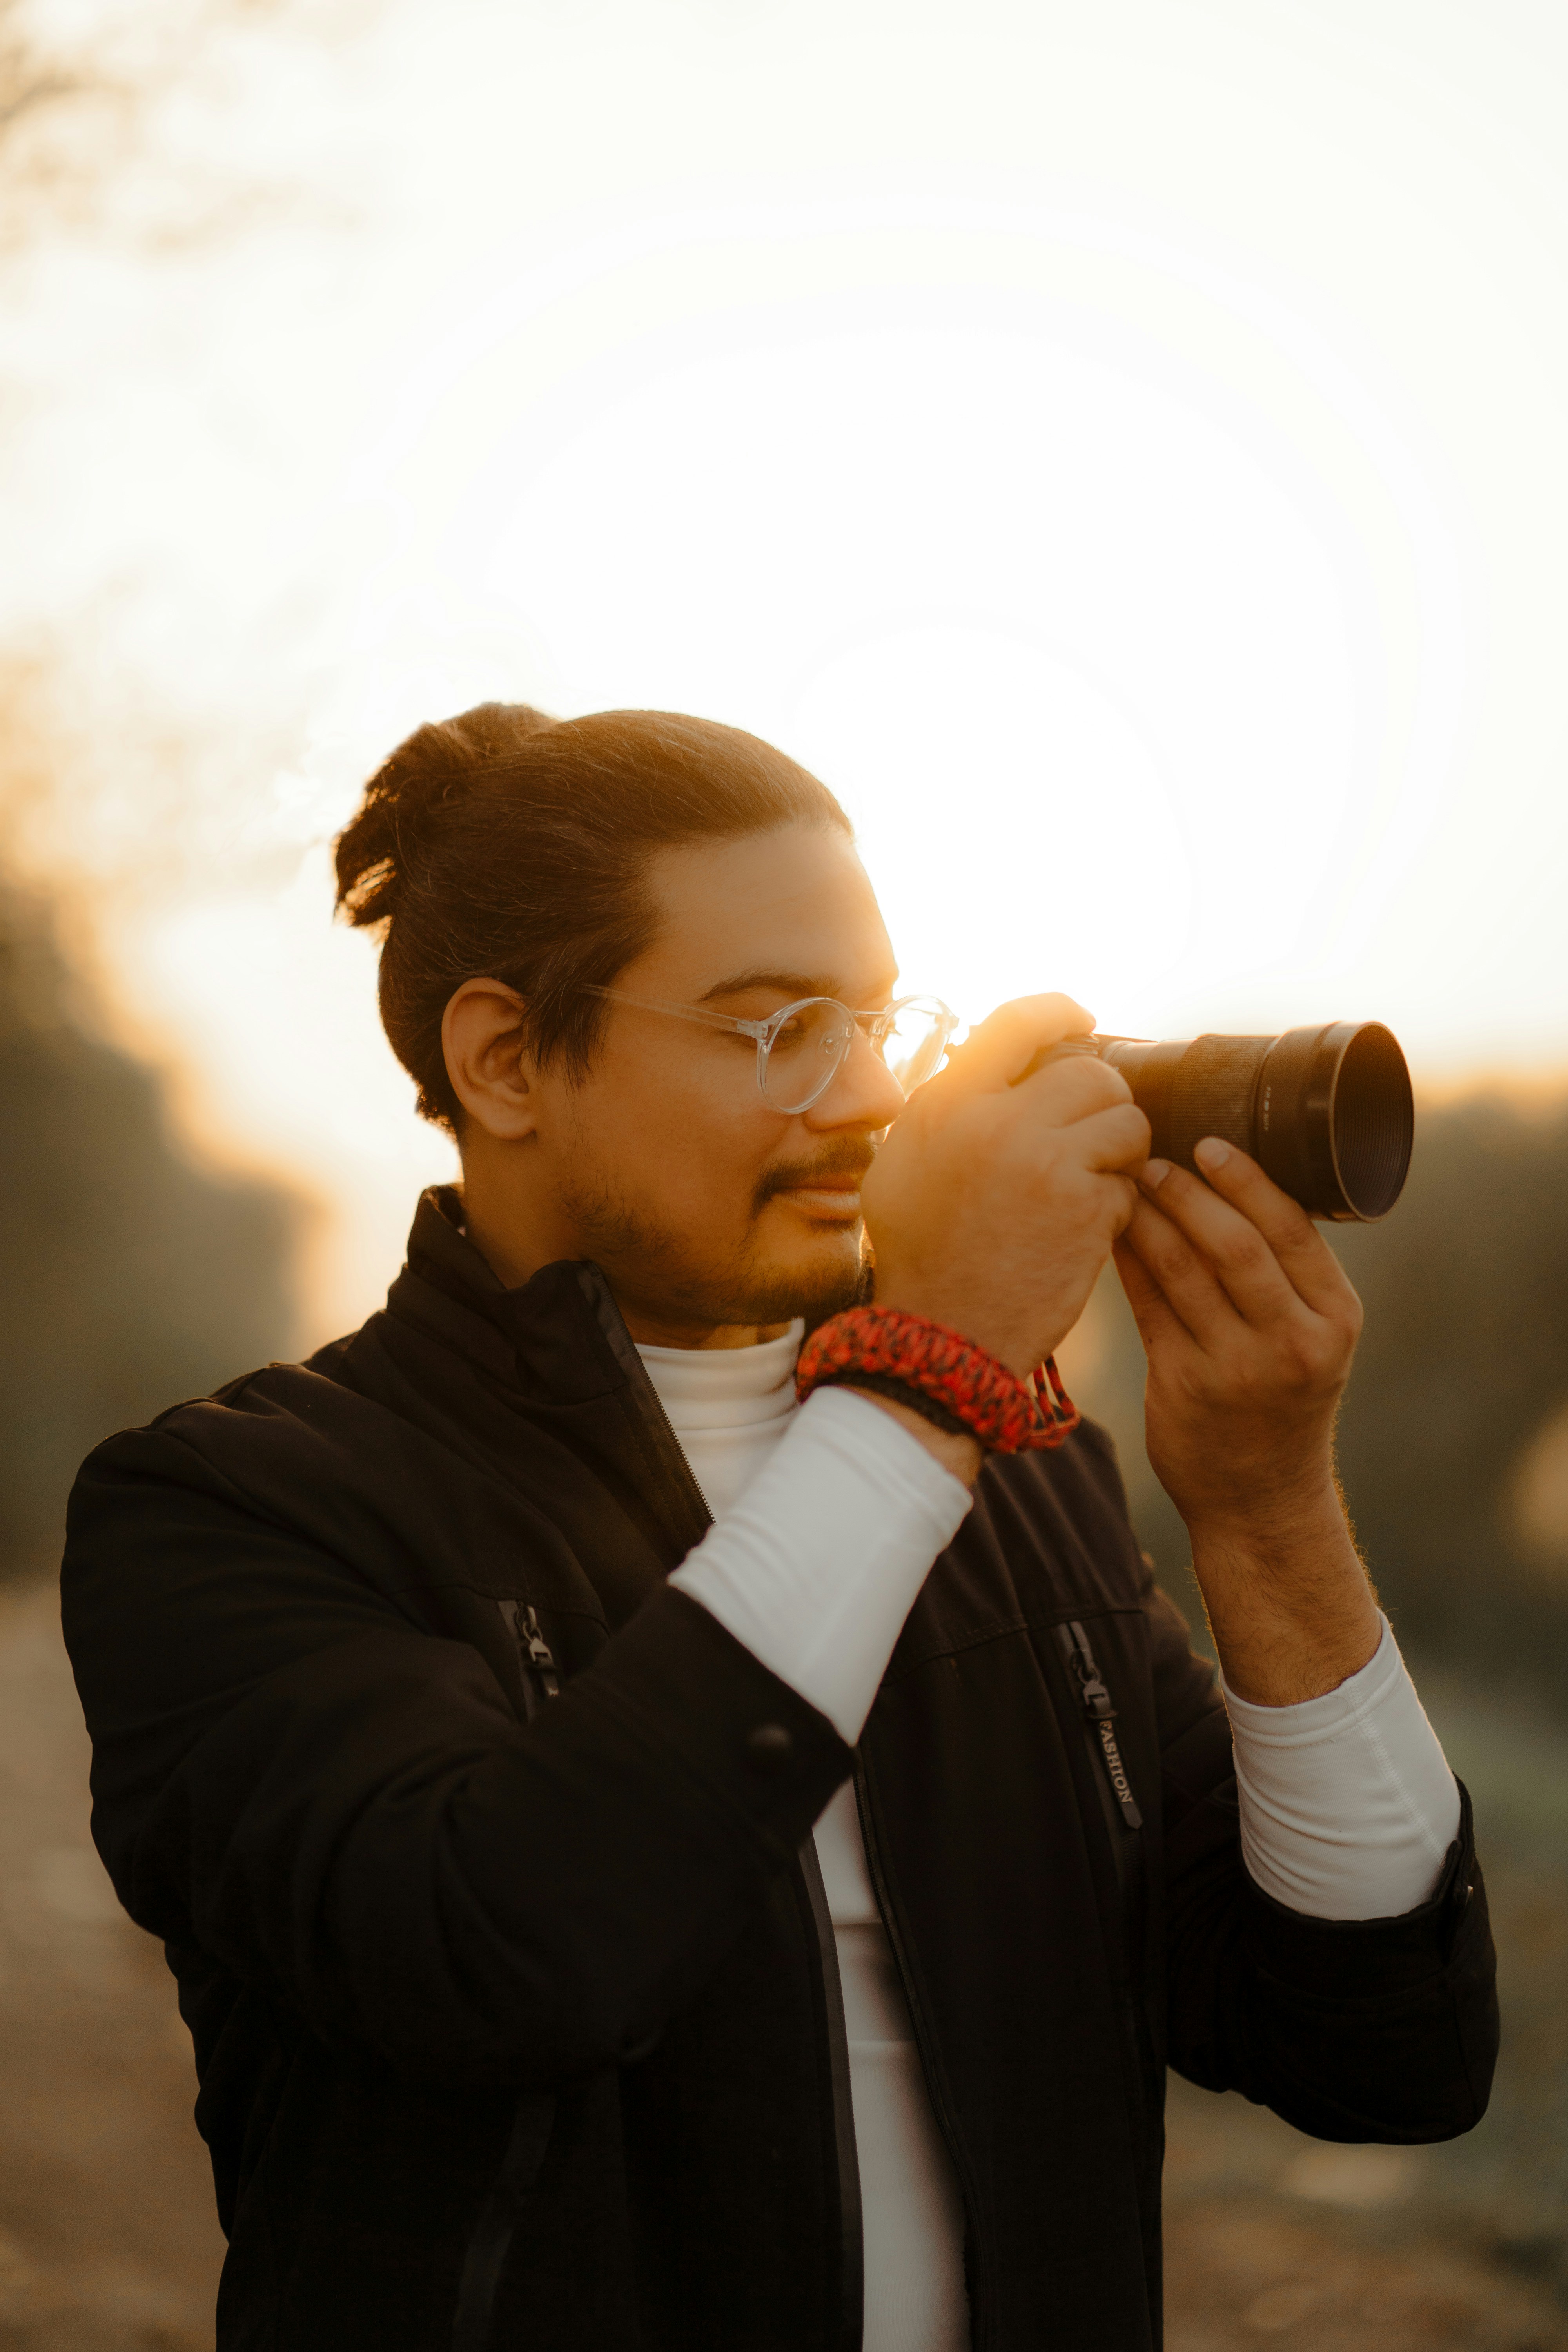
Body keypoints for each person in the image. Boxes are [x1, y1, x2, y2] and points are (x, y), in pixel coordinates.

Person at [61, 703, 1497, 2352]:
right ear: (504, 1059)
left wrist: (1266, 1507)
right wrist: (932, 1365)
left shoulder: (1012, 1478)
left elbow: (1380, 2048)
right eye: (777, 1027)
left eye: (879, 1020)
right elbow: (509, 1953)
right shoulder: (238, 1503)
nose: (868, 1097)